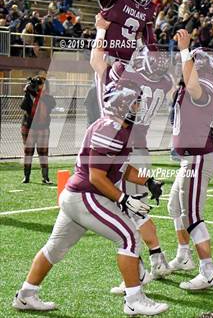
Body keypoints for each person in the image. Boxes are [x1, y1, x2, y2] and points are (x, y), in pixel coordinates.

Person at [13, 79, 168, 316]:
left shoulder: (119, 127)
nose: (139, 107)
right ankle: (134, 299)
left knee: (55, 248)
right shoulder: (110, 128)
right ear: (121, 105)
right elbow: (96, 176)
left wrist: (147, 180)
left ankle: (25, 295)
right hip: (85, 194)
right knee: (129, 237)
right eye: (135, 103)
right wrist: (124, 199)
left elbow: (121, 167)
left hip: (77, 196)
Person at [107, 48, 174, 294]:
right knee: (139, 210)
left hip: (129, 152)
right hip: (142, 151)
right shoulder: (164, 81)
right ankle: (158, 259)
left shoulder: (130, 75)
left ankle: (140, 271)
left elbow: (113, 64)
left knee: (128, 213)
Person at [167, 29, 213, 291]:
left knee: (192, 215)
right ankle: (183, 255)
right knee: (174, 208)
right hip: (188, 159)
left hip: (200, 158)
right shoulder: (188, 84)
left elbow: (192, 86)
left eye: (192, 62)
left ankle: (208, 271)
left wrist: (185, 50)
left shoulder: (207, 83)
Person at [91, 0, 157, 114]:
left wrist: (156, 62)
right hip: (108, 58)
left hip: (130, 63)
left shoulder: (148, 8)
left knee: (130, 114)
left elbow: (150, 41)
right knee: (110, 111)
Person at [20, 75, 56, 184]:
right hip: (29, 127)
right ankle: (26, 176)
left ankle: (45, 177)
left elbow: (51, 105)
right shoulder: (30, 95)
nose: (40, 85)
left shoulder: (48, 97)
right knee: (28, 153)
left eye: (42, 83)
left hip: (43, 128)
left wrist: (37, 94)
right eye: (38, 83)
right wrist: (27, 93)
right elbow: (23, 106)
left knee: (43, 153)